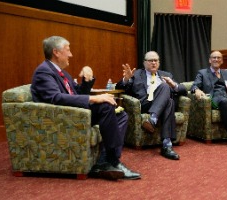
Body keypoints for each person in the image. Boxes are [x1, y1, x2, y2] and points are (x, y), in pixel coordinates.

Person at [31, 36, 141, 180]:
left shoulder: (62, 72)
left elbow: (77, 92)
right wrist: (94, 98)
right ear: (56, 52)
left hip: (75, 113)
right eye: (68, 50)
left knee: (121, 116)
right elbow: (56, 98)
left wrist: (87, 78)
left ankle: (103, 161)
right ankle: (113, 161)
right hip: (61, 119)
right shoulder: (44, 72)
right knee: (106, 107)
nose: (70, 54)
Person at [116, 51, 187, 160]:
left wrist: (173, 85)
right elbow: (119, 87)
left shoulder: (166, 75)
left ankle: (166, 144)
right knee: (165, 87)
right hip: (144, 103)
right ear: (144, 63)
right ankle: (154, 122)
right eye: (150, 61)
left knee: (170, 101)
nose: (153, 63)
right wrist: (126, 79)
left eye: (156, 61)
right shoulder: (137, 74)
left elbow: (184, 90)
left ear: (158, 63)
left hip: (162, 104)